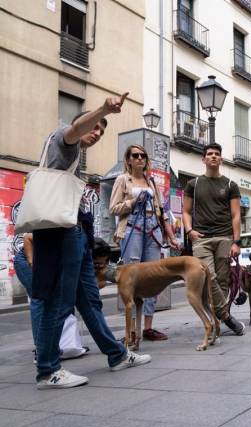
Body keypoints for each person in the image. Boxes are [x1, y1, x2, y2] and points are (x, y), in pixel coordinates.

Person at [32, 95, 151, 389]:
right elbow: (73, 130)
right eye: (94, 127)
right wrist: (104, 109)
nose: (97, 133)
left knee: (90, 301)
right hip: (62, 232)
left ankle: (117, 354)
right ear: (79, 123)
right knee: (59, 301)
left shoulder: (74, 155)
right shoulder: (63, 140)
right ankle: (48, 370)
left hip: (78, 235)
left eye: (102, 130)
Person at [110, 144, 180, 341]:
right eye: (135, 155)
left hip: (153, 229)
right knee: (130, 279)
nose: (140, 158)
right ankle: (131, 330)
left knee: (153, 278)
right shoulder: (123, 180)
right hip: (132, 227)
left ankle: (148, 328)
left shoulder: (152, 182)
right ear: (129, 159)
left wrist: (172, 237)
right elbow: (113, 208)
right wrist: (133, 202)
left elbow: (163, 212)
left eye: (143, 155)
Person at [182, 143, 245, 336]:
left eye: (217, 154)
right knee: (210, 276)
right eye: (210, 154)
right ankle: (226, 317)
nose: (213, 156)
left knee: (224, 279)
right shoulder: (194, 184)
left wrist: (236, 241)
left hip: (225, 236)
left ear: (221, 159)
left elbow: (236, 215)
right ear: (204, 159)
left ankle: (217, 321)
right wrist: (189, 230)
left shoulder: (230, 185)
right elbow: (185, 211)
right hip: (200, 238)